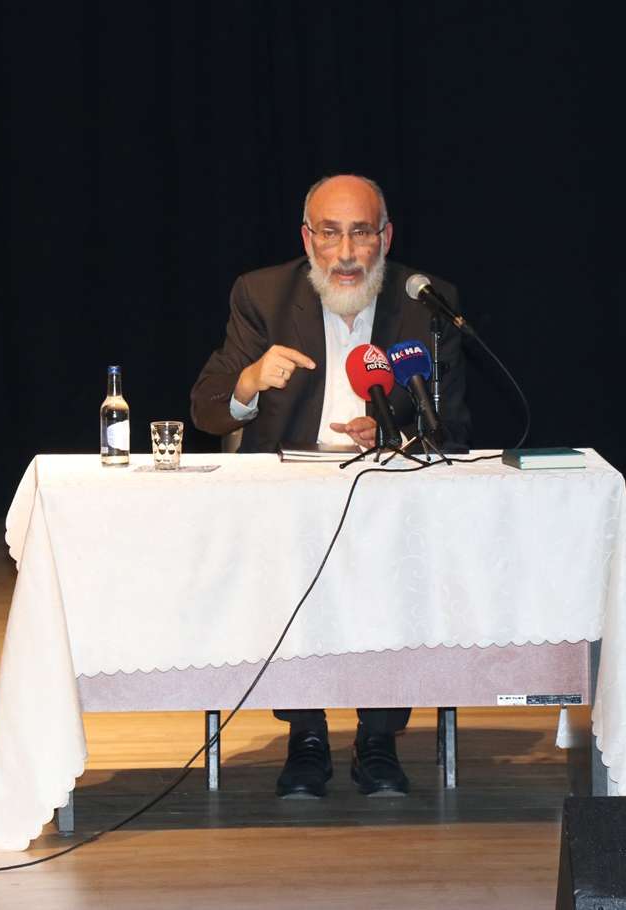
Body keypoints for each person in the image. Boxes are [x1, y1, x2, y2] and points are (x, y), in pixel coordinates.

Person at [190, 174, 470, 799]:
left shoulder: (425, 302)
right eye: (330, 233)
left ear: (385, 238)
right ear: (307, 238)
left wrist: (395, 434)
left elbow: (452, 427)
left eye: (361, 233)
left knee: (400, 561)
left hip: (388, 495)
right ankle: (306, 733)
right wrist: (250, 381)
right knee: (286, 559)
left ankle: (378, 737)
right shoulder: (263, 295)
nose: (345, 253)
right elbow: (207, 408)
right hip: (287, 501)